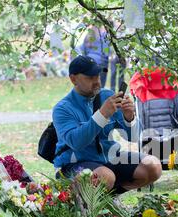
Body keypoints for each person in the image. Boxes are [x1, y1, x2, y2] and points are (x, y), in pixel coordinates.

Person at [52, 55, 162, 194]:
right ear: (73, 79)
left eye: (97, 76)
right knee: (105, 176)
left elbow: (134, 137)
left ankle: (109, 198)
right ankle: (88, 205)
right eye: (90, 77)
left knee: (153, 166)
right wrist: (102, 114)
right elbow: (77, 142)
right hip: (74, 163)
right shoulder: (63, 108)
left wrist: (129, 117)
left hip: (109, 158)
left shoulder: (106, 96)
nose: (97, 81)